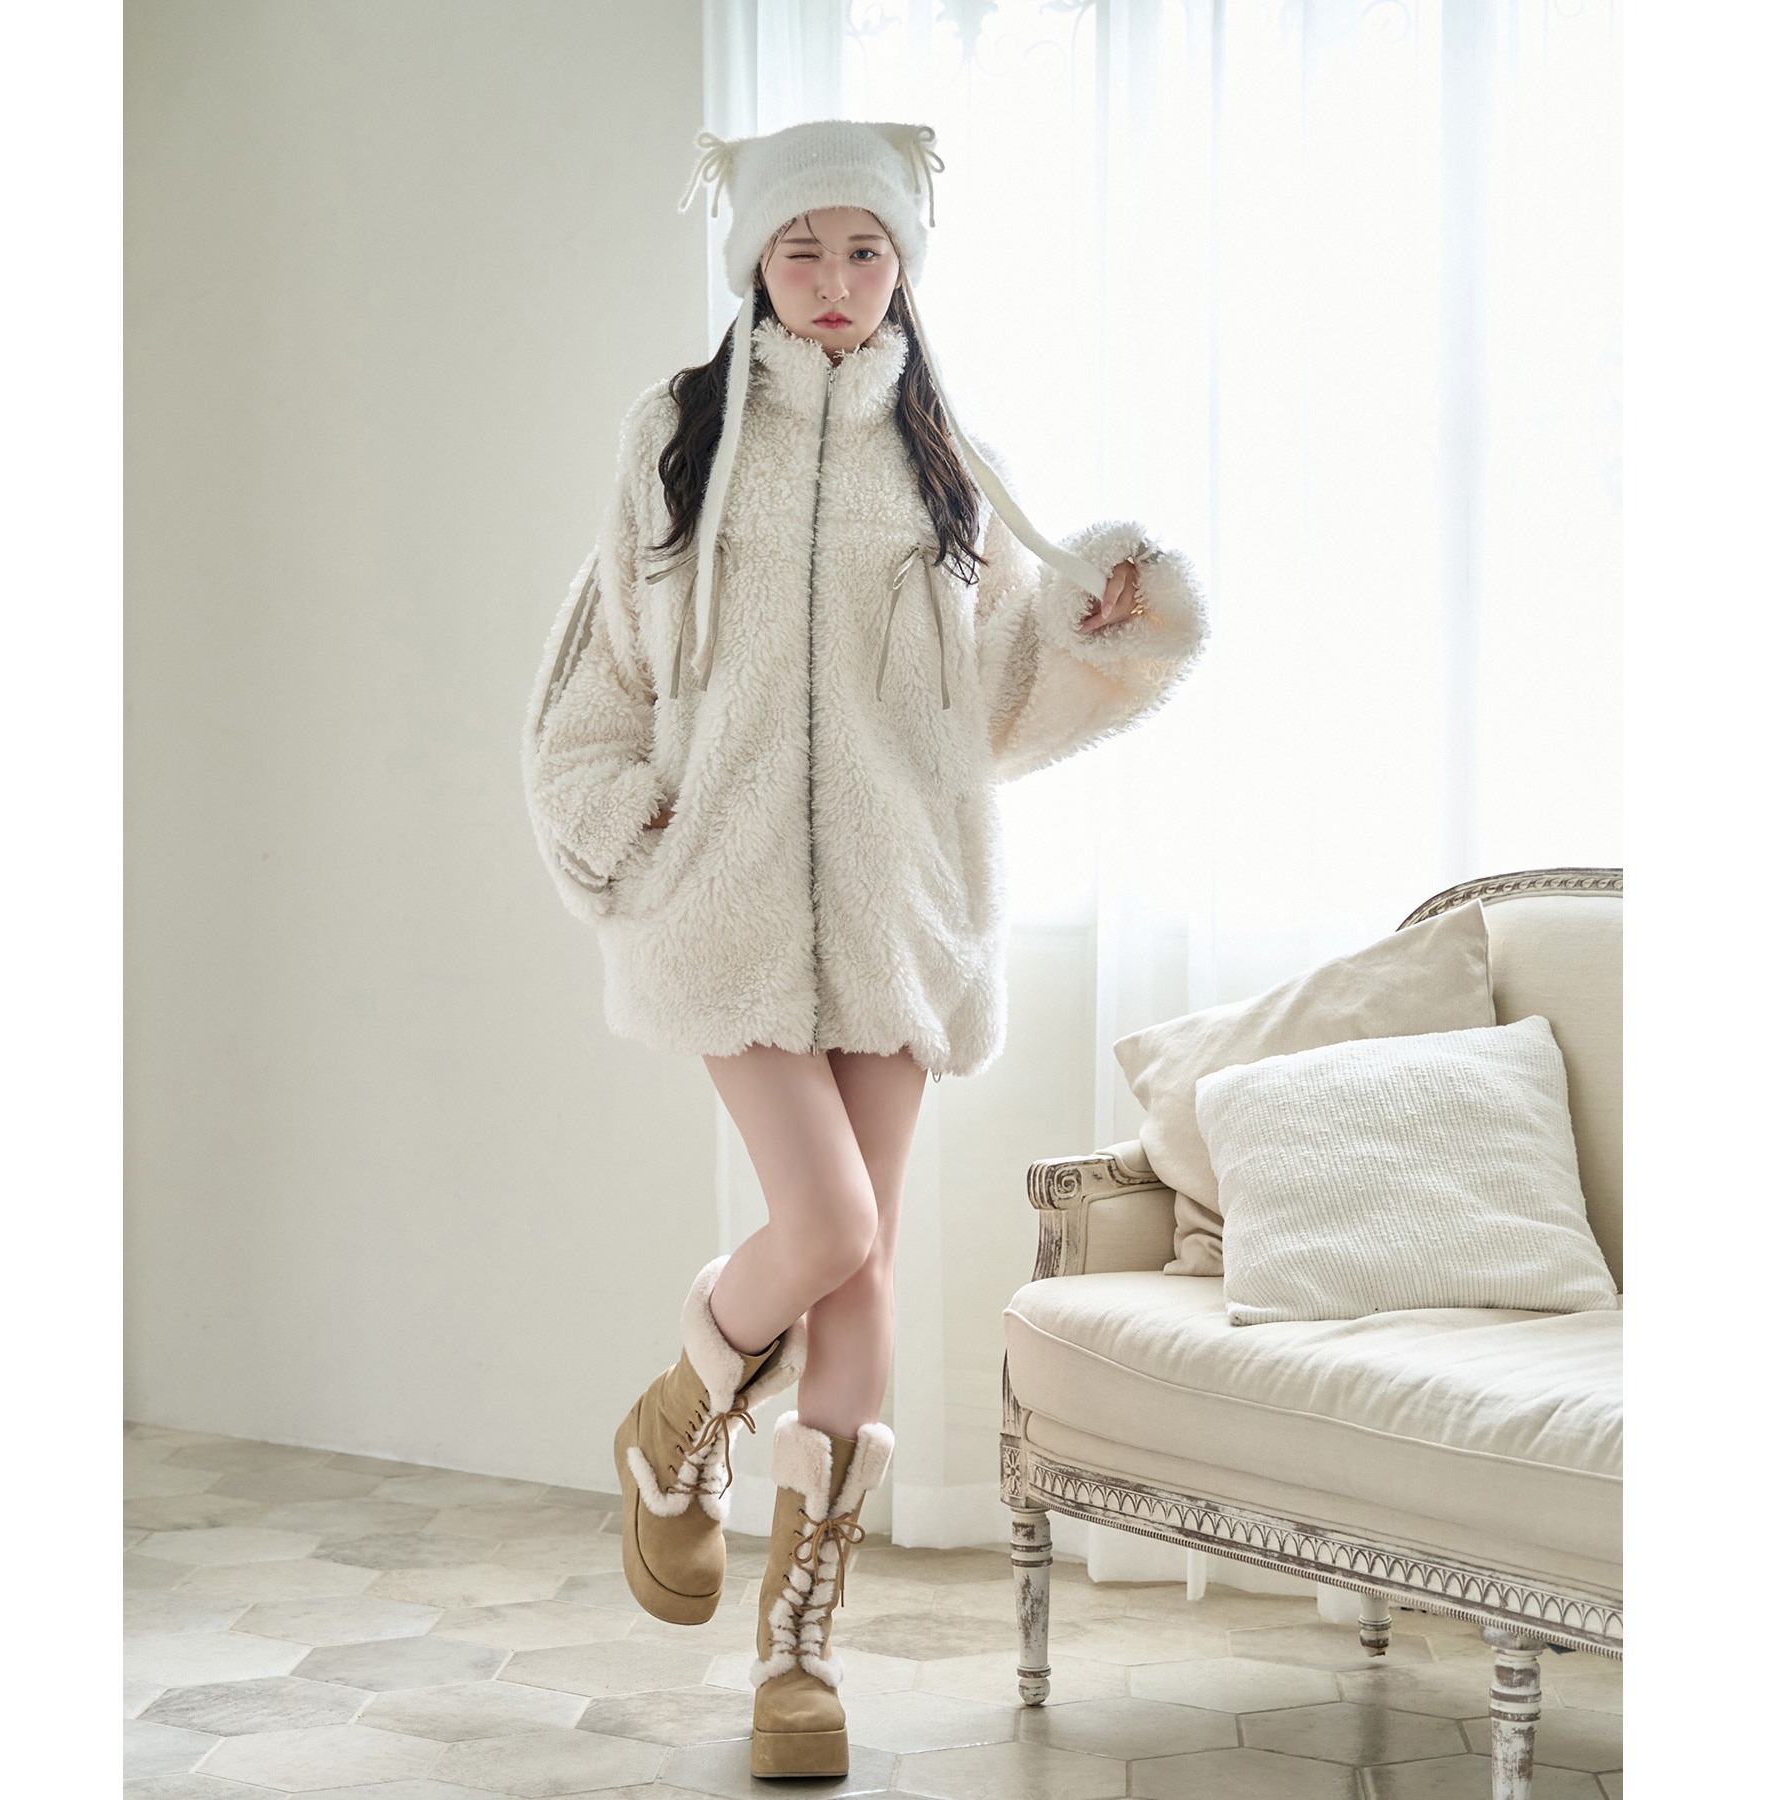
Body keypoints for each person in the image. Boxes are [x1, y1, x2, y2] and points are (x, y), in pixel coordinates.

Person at [521, 119, 1208, 1779]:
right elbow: (606, 661)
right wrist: (625, 821)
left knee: (867, 1266)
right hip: (725, 902)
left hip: (903, 909)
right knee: (822, 1224)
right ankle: (682, 1420)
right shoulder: (677, 436)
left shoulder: (949, 458)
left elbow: (991, 706)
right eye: (803, 249)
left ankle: (798, 1649)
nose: (835, 282)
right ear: (753, 260)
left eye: (866, 251)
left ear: (905, 265)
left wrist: (1103, 635)